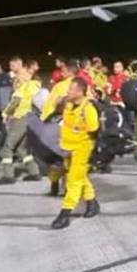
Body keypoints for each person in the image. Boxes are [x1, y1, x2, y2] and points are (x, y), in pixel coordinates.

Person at [51, 77, 101, 230]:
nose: (68, 92)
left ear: (80, 92)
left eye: (71, 89)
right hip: (67, 147)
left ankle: (65, 213)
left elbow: (94, 130)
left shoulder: (88, 109)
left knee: (73, 180)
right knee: (80, 176)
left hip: (82, 148)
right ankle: (92, 202)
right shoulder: (68, 105)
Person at [0, 59, 41, 184]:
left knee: (7, 147)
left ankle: (8, 176)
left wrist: (5, 114)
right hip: (30, 117)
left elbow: (15, 101)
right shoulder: (35, 85)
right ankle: (34, 172)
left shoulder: (23, 84)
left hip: (20, 117)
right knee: (22, 149)